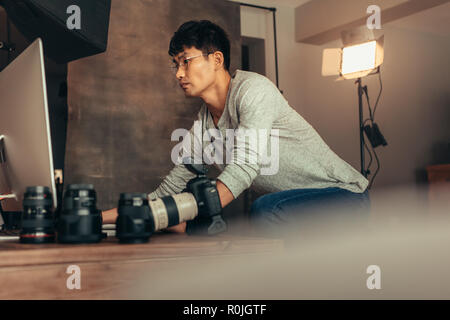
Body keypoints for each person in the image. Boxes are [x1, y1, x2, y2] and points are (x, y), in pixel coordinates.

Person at [102, 20, 370, 235]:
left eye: (186, 61)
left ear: (217, 60)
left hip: (343, 195)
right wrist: (99, 219)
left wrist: (175, 215)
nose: (178, 73)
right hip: (292, 205)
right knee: (198, 223)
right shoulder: (204, 123)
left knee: (264, 210)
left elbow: (243, 169)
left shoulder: (253, 90)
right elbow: (169, 188)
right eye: (175, 64)